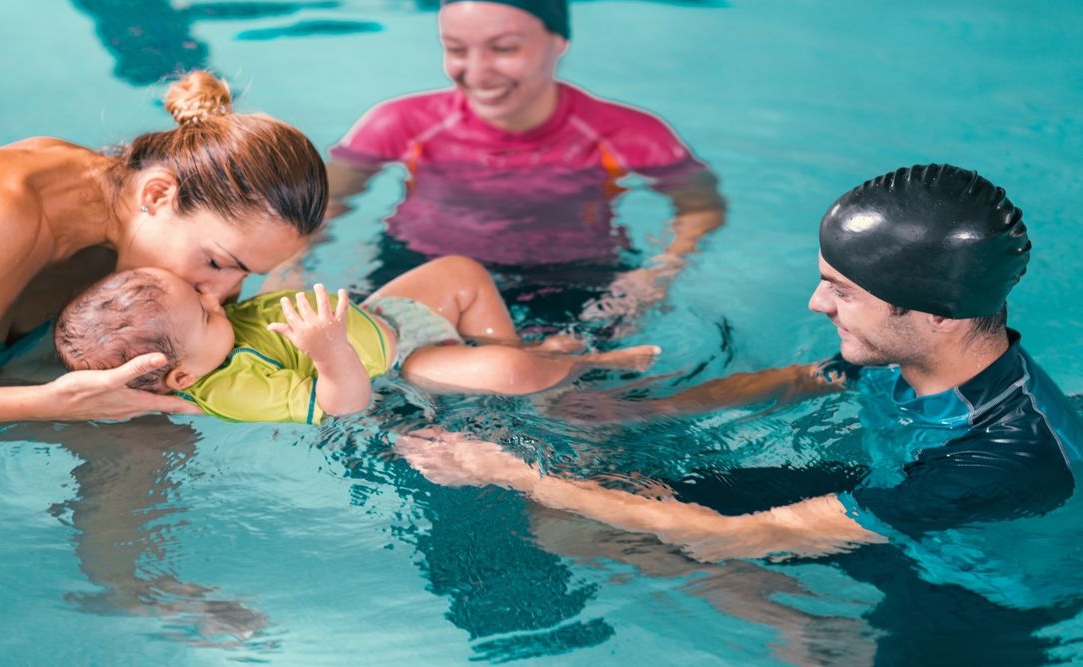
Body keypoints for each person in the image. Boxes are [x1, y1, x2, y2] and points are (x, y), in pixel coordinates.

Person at [398, 163, 1083, 564]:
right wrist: (647, 408)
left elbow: (735, 538)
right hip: (885, 482)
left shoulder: (1000, 458)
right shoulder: (917, 348)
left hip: (965, 579)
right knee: (584, 515)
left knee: (571, 513)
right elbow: (800, 378)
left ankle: (794, 626)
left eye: (843, 291)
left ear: (935, 312)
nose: (817, 303)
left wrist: (513, 471)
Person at [0, 70, 327, 436]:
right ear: (158, 195)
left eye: (244, 276)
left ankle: (137, 599)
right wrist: (46, 403)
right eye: (217, 263)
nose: (220, 294)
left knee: (145, 425)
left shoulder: (115, 226)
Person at [300, 0, 725, 327]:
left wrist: (659, 273)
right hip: (420, 269)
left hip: (577, 281)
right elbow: (322, 202)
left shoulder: (629, 133)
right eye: (456, 49)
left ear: (559, 41)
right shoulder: (399, 122)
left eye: (504, 48)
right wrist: (291, 269)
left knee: (579, 402)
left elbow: (701, 206)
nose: (478, 72)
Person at [54, 256, 660, 423]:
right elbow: (346, 403)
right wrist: (327, 350)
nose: (216, 299)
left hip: (380, 317)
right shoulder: (237, 389)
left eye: (202, 292)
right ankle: (581, 364)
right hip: (401, 362)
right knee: (506, 376)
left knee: (461, 271)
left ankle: (520, 343)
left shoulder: (203, 337)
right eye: (206, 313)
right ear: (184, 377)